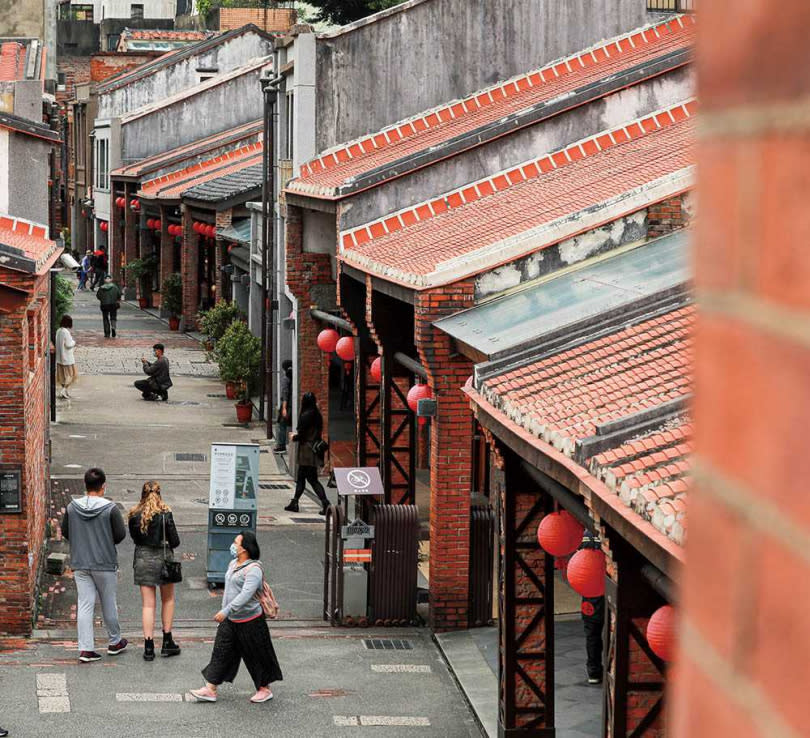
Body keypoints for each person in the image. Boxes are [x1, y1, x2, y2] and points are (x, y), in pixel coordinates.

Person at [190, 531, 282, 704]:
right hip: (231, 620)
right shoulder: (233, 563)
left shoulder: (253, 569)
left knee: (256, 655)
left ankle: (264, 689)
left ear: (244, 549)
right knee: (221, 652)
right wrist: (224, 612)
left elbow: (245, 595)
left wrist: (226, 611)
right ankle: (210, 688)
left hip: (251, 621)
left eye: (236, 543)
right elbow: (229, 592)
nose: (233, 545)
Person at [60, 467, 128, 663]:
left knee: (85, 604)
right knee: (108, 602)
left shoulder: (72, 507)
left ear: (85, 485)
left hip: (80, 562)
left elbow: (66, 531)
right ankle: (114, 641)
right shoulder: (110, 508)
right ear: (103, 487)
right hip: (104, 563)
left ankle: (86, 649)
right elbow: (120, 535)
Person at [128, 481, 182, 661]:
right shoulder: (166, 513)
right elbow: (174, 541)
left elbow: (135, 539)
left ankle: (148, 647)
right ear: (160, 494)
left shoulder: (134, 514)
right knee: (168, 600)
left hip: (143, 559)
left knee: (148, 605)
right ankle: (167, 641)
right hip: (163, 560)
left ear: (142, 494)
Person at [283, 392, 330, 515]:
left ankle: (325, 503)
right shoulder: (317, 415)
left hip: (306, 452)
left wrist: (294, 436)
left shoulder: (305, 416)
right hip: (314, 451)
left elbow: (302, 435)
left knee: (308, 479)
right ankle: (295, 502)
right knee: (305, 478)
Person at [579, 531, 605, 684]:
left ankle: (594, 672)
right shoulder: (607, 535)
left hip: (588, 594)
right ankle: (608, 669)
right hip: (605, 591)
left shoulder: (584, 536)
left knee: (592, 635)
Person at [55, 314, 77, 399]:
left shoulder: (58, 331)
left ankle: (65, 391)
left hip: (60, 357)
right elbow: (68, 344)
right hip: (67, 358)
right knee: (71, 375)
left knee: (62, 376)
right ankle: (64, 390)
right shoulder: (66, 332)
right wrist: (73, 342)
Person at [274, 360, 293, 453]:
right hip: (293, 405)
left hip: (287, 405)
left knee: (282, 424)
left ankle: (281, 446)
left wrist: (284, 408)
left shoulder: (286, 378)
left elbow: (285, 394)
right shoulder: (294, 376)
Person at [96, 274, 122, 339]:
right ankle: (113, 327)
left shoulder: (101, 288)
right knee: (113, 317)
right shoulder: (115, 287)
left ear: (104, 280)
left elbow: (98, 296)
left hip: (104, 305)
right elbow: (119, 295)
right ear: (111, 280)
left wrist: (103, 300)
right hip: (113, 304)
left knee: (105, 318)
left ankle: (107, 333)